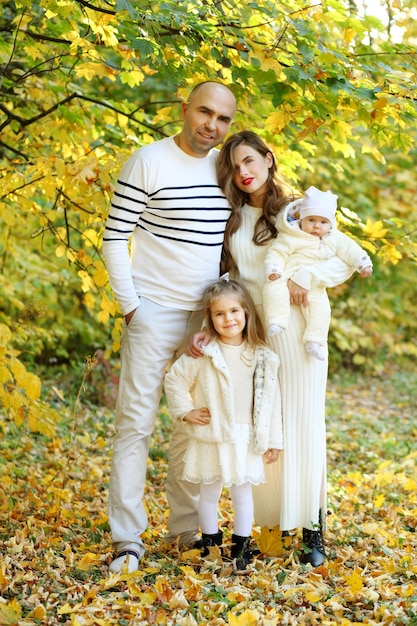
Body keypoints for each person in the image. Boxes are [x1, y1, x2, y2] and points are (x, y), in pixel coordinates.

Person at [188, 130, 354, 567]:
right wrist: (210, 326)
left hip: (298, 328)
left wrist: (308, 279)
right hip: (250, 334)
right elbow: (225, 283)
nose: (243, 172)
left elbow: (345, 256)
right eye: (234, 166)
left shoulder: (299, 211)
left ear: (268, 158)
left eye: (249, 161)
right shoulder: (231, 216)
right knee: (261, 426)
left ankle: (314, 530)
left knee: (302, 424)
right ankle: (276, 523)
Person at [101, 81, 237, 573]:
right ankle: (127, 539)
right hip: (152, 310)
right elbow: (115, 238)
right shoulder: (147, 161)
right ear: (185, 110)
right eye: (205, 112)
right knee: (135, 425)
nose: (212, 125)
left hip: (204, 318)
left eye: (223, 119)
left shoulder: (224, 168)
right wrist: (131, 307)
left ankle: (183, 531)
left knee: (193, 424)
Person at [164, 277, 282, 571]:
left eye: (234, 311)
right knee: (209, 493)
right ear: (210, 318)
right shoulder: (204, 352)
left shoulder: (262, 356)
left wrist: (274, 439)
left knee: (243, 495)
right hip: (212, 436)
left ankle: (241, 549)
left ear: (246, 313)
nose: (228, 318)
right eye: (219, 314)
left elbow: (271, 401)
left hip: (245, 436)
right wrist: (186, 411)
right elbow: (175, 380)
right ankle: (211, 548)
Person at [264, 185, 373, 361]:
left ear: (330, 223)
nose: (316, 226)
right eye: (311, 220)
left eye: (323, 222)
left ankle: (314, 340)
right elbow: (277, 252)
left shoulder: (333, 238)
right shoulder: (292, 235)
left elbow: (350, 249)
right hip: (288, 270)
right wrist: (274, 269)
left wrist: (363, 263)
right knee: (273, 289)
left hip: (314, 283)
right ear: (301, 219)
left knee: (321, 307)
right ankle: (276, 319)